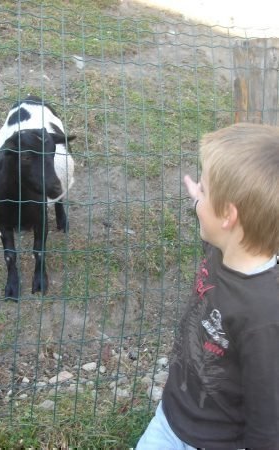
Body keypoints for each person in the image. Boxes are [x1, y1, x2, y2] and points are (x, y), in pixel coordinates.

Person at [136, 122, 279, 450]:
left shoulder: (265, 316)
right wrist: (201, 203)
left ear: (228, 216)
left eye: (204, 189)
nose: (196, 192)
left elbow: (268, 422)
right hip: (170, 418)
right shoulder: (221, 249)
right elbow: (213, 226)